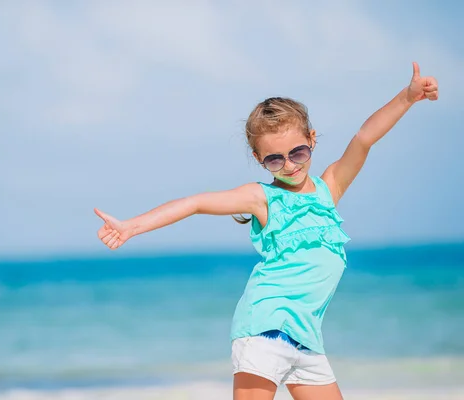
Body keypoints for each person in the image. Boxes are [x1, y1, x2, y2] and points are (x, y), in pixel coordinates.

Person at [94, 62, 438, 400]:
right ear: (261, 160)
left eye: (298, 152)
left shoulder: (328, 189)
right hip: (264, 330)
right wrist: (131, 227)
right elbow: (196, 202)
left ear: (312, 140)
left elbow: (364, 139)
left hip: (307, 339)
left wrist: (406, 98)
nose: (289, 165)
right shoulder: (263, 198)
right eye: (275, 160)